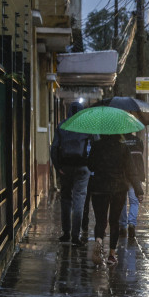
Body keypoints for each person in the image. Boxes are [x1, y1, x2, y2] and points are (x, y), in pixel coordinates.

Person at [87, 134, 144, 266]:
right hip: (118, 188)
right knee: (114, 221)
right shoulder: (123, 148)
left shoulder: (96, 146)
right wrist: (138, 190)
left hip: (99, 188)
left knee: (100, 220)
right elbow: (131, 171)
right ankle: (111, 255)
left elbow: (90, 166)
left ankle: (99, 241)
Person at [50, 102, 92, 246]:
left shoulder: (62, 126)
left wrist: (57, 167)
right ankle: (76, 235)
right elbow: (96, 145)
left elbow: (54, 148)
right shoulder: (87, 126)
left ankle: (66, 232)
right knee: (79, 199)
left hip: (65, 167)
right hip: (82, 167)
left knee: (66, 199)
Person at [119, 132, 145, 239]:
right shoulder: (138, 141)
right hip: (136, 175)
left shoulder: (120, 142)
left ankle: (122, 225)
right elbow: (140, 155)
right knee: (134, 201)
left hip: (123, 175)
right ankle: (131, 223)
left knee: (122, 201)